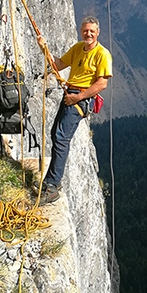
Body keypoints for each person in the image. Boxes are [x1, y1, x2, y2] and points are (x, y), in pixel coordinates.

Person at [36, 16, 112, 204]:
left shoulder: (102, 54)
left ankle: (53, 185)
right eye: (85, 30)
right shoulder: (78, 48)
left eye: (92, 31)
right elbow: (59, 65)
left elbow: (102, 84)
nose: (88, 33)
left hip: (79, 99)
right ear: (81, 31)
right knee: (56, 134)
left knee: (61, 138)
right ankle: (51, 181)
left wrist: (78, 97)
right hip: (70, 94)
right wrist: (43, 48)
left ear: (98, 32)